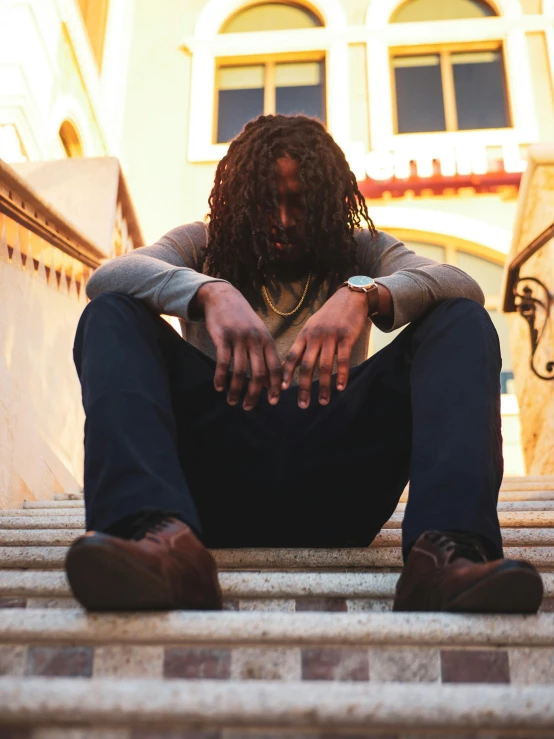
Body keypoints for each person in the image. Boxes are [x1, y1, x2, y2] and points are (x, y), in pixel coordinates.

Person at [66, 114, 543, 614]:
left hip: (338, 486)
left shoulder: (361, 251)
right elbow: (108, 276)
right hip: (218, 485)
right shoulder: (201, 246)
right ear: (241, 198)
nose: (285, 220)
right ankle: (158, 544)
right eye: (268, 201)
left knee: (462, 320)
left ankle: (450, 557)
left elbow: (461, 283)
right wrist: (209, 291)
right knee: (111, 313)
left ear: (326, 202)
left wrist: (363, 293)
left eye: (300, 202)